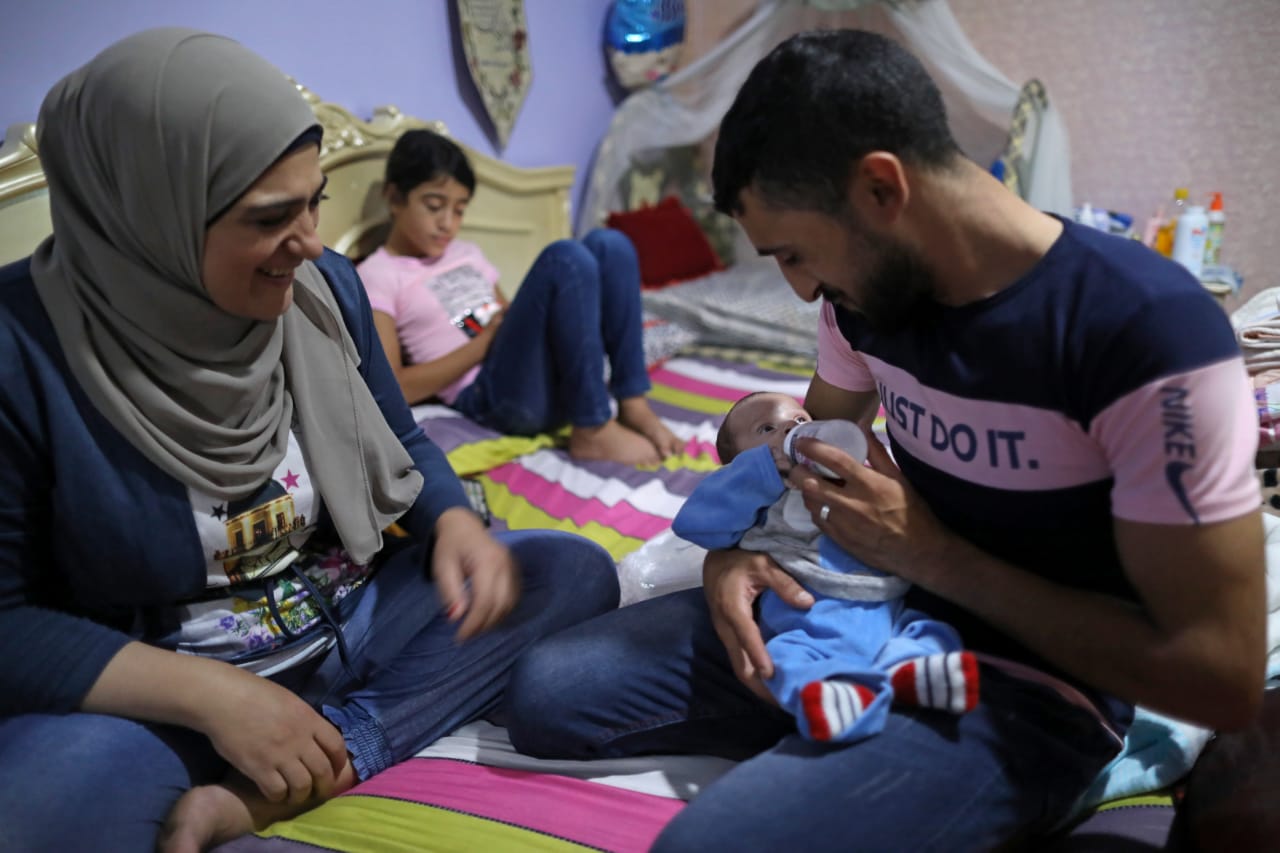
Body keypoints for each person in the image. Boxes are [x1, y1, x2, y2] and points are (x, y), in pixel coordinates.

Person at [503, 28, 1267, 851]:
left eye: (795, 253)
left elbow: (1218, 677)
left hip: (1022, 681)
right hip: (860, 612)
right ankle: (838, 738)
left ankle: (889, 765)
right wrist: (734, 557)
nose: (802, 292)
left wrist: (935, 557)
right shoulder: (862, 302)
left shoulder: (1143, 333)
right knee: (551, 690)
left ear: (880, 187)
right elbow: (799, 469)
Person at [0, 29, 620, 853]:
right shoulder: (21, 349)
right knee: (42, 804)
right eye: (269, 218)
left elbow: (401, 435)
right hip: (173, 692)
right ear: (149, 217)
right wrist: (217, 700)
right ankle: (282, 751)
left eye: (314, 201)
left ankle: (319, 760)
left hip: (358, 614)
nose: (309, 242)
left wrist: (452, 521)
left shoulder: (324, 289)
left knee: (567, 571)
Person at [356, 129, 681, 465]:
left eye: (459, 210)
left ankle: (632, 403)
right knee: (565, 258)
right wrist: (486, 342)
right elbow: (395, 388)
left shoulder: (465, 252)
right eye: (435, 206)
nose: (448, 224)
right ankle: (593, 427)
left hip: (529, 371)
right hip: (489, 394)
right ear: (394, 198)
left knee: (609, 245)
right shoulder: (377, 275)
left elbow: (512, 317)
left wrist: (504, 328)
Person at [674, 391, 978, 742]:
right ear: (737, 462)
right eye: (767, 428)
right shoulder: (750, 492)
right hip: (810, 619)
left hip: (885, 604)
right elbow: (695, 523)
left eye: (801, 420)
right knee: (784, 660)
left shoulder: (844, 477)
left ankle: (912, 672)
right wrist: (757, 472)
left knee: (928, 631)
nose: (790, 426)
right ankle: (837, 699)